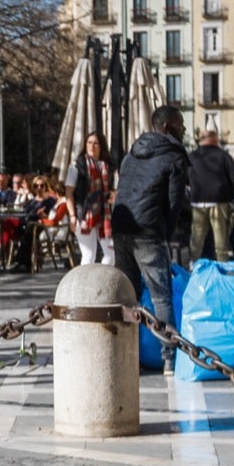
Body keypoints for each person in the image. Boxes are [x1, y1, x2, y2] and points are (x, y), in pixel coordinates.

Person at [111, 105, 189, 318]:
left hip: (120, 226)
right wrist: (164, 235)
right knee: (161, 298)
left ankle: (129, 340)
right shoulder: (174, 156)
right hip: (148, 231)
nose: (183, 129)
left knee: (127, 297)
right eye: (180, 124)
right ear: (167, 127)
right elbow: (174, 203)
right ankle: (167, 341)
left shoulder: (132, 153)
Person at [186, 129, 234, 261]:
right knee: (221, 238)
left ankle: (194, 264)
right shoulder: (223, 156)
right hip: (219, 201)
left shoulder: (192, 156)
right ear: (214, 139)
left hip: (198, 201)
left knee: (196, 239)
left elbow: (185, 178)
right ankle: (222, 263)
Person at [65, 132, 115, 266]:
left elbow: (113, 190)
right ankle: (86, 280)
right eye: (89, 142)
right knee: (89, 255)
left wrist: (113, 195)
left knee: (111, 254)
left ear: (102, 146)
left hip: (105, 216)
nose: (92, 146)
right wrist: (72, 216)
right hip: (83, 215)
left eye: (96, 143)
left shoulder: (108, 167)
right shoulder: (77, 166)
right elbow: (69, 193)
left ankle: (101, 278)